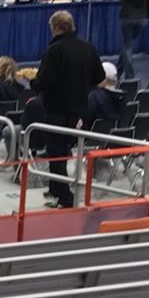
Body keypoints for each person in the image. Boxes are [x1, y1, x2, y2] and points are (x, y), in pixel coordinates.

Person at [34, 11, 102, 208]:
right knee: (64, 149)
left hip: (56, 108)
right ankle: (56, 188)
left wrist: (33, 82)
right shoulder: (87, 47)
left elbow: (43, 82)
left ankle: (64, 196)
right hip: (79, 107)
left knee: (57, 152)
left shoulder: (54, 51)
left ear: (58, 28)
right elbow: (99, 77)